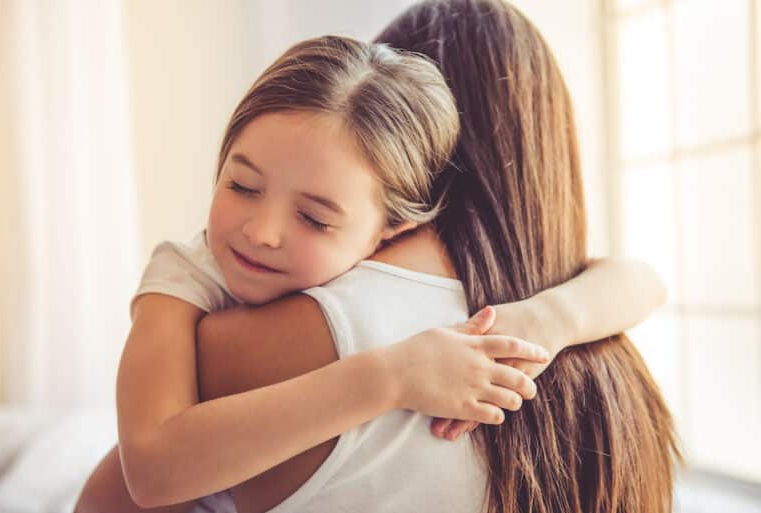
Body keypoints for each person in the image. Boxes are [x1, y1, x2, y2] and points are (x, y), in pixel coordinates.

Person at [74, 4, 671, 513]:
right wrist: (390, 376)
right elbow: (143, 473)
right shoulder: (186, 275)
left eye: (315, 216)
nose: (262, 233)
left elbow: (646, 279)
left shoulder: (535, 307)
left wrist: (546, 322)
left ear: (396, 222)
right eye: (242, 186)